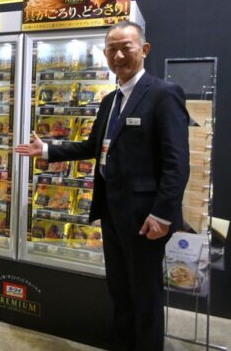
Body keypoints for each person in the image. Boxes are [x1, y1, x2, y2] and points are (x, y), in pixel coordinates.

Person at [15, 21, 189, 351]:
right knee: (120, 290)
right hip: (112, 211)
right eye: (112, 49)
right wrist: (47, 150)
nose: (118, 55)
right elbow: (92, 146)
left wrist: (163, 214)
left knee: (145, 294)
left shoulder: (164, 94)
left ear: (144, 50)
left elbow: (177, 162)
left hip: (145, 218)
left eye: (126, 47)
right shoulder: (110, 100)